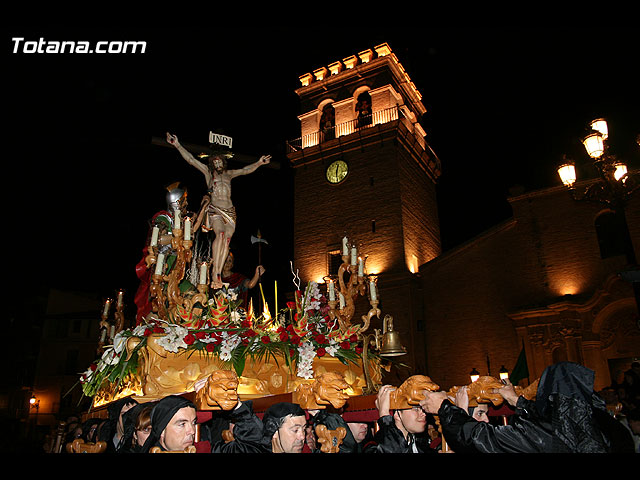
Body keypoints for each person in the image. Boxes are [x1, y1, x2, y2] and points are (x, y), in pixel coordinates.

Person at [420, 361, 636, 453]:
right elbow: (555, 418)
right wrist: (517, 402)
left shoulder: (552, 432)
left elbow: (482, 439)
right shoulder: (610, 424)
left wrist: (445, 407)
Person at [166, 132, 271, 289]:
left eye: (220, 161)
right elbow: (191, 160)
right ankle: (215, 271)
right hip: (215, 209)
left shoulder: (229, 174)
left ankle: (218, 273)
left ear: (223, 161)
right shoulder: (208, 174)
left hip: (230, 211)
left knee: (227, 241)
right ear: (211, 163)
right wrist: (177, 144)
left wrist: (259, 163)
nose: (218, 164)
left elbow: (245, 170)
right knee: (220, 235)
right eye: (214, 162)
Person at [370, 384, 432, 453]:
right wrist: (384, 416)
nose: (423, 414)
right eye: (415, 409)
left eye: (423, 408)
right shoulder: (373, 448)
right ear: (397, 413)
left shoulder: (421, 447)